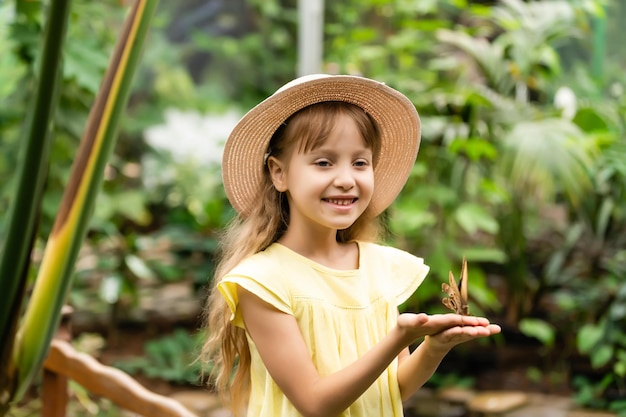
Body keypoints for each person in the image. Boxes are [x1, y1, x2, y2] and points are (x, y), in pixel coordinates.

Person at [202, 74, 501, 417]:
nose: (346, 180)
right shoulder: (263, 282)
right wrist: (397, 339)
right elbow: (315, 404)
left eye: (360, 162)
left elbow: (393, 389)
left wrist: (434, 348)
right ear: (278, 172)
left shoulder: (379, 268)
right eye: (324, 162)